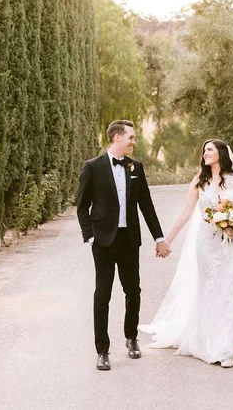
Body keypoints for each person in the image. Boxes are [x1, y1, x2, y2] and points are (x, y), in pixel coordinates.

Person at [139, 139, 233, 368]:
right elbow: (185, 213)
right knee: (210, 289)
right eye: (204, 150)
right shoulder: (199, 182)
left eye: (210, 149)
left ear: (221, 153)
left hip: (232, 244)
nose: (205, 153)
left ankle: (228, 349)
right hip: (207, 244)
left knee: (229, 290)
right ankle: (210, 343)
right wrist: (166, 240)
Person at [76, 119, 171, 371]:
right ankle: (102, 351)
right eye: (130, 137)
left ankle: (131, 338)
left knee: (133, 291)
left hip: (129, 240)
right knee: (103, 295)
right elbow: (81, 206)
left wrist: (159, 238)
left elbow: (146, 205)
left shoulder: (135, 167)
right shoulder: (92, 167)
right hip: (103, 241)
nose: (133, 141)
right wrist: (90, 236)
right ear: (117, 137)